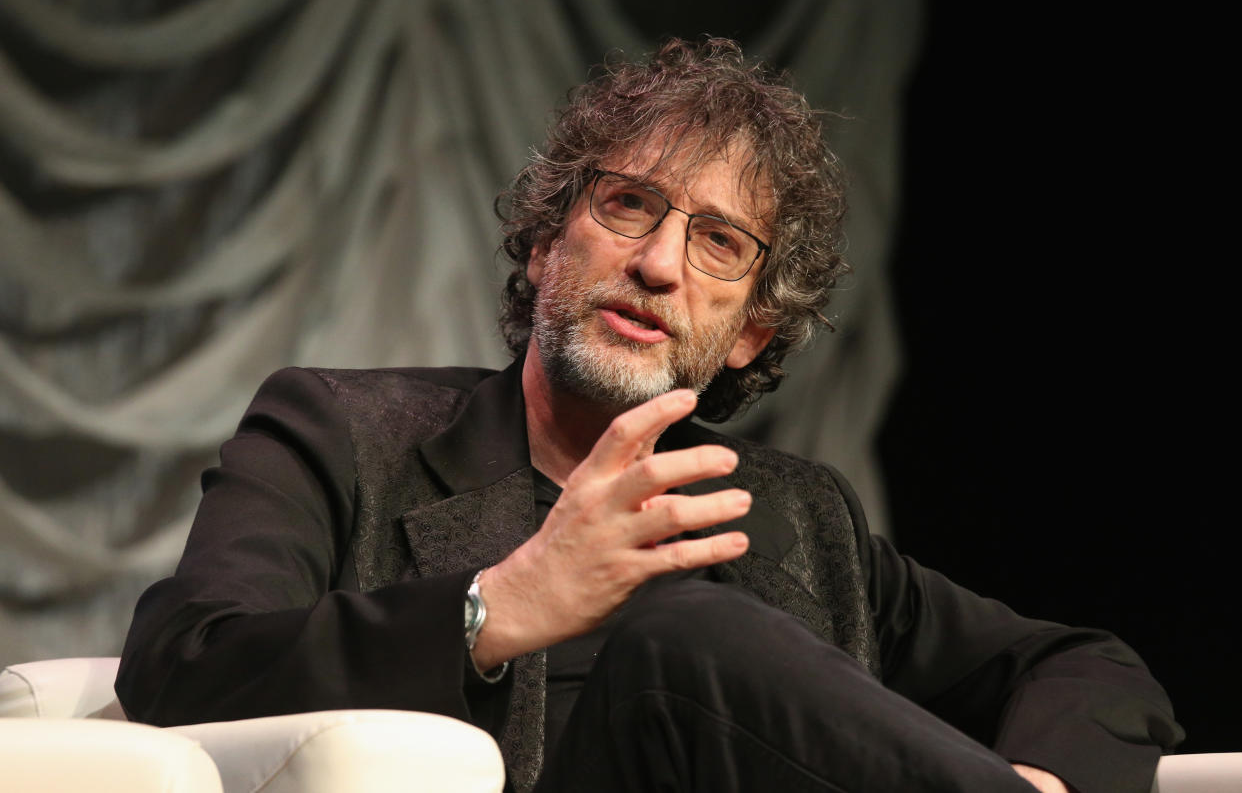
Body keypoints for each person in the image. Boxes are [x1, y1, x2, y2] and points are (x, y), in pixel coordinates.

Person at [116, 39, 1181, 793]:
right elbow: (184, 665)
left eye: (719, 243)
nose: (658, 264)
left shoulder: (797, 518)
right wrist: (496, 608)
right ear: (545, 245)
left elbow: (1080, 662)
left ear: (753, 333)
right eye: (628, 204)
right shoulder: (343, 433)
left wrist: (1048, 778)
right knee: (685, 637)